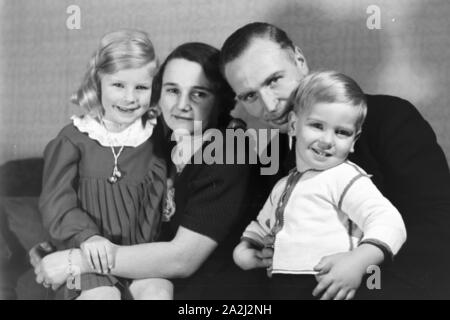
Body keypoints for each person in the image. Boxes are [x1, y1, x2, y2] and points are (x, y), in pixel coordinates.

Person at [220, 22, 450, 299]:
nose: (269, 105)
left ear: (300, 61)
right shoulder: (275, 156)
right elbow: (263, 233)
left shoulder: (390, 118)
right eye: (249, 96)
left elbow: (438, 226)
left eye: (273, 80)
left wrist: (362, 270)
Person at [32, 42, 253, 299]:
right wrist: (58, 245)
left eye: (199, 94)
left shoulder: (231, 149)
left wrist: (75, 259)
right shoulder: (156, 134)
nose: (181, 105)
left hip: (209, 289)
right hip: (144, 272)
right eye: (172, 90)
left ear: (220, 100)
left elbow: (183, 260)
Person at [233, 71, 407, 300]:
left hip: (328, 286)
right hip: (283, 288)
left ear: (354, 140)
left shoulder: (345, 177)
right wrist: (245, 253)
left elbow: (389, 222)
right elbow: (261, 227)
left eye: (342, 132)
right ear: (294, 125)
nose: (327, 140)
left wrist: (358, 261)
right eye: (317, 125)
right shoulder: (283, 186)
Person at [38, 29, 173, 300]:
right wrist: (87, 237)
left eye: (141, 87)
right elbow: (56, 202)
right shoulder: (73, 139)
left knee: (160, 292)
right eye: (118, 85)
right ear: (97, 83)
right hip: (85, 257)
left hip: (137, 258)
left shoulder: (156, 135)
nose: (129, 98)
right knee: (103, 296)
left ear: (154, 89)